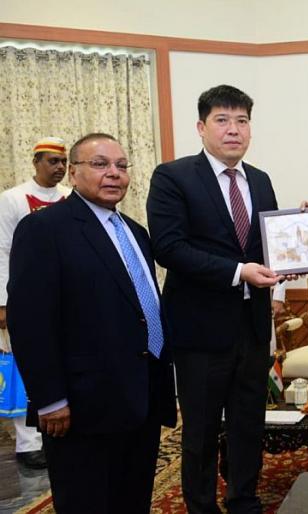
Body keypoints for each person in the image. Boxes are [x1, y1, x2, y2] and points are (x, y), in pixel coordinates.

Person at [7, 133, 176, 513]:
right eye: (100, 164)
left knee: (132, 500)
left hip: (141, 395)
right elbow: (29, 321)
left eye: (121, 165)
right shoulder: (44, 229)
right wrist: (50, 398)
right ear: (73, 172)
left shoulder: (135, 232)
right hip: (83, 405)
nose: (114, 173)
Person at [146, 84, 283, 514]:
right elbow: (169, 247)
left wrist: (294, 245)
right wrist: (238, 272)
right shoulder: (172, 177)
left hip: (252, 326)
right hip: (200, 330)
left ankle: (244, 501)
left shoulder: (260, 180)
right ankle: (201, 507)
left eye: (242, 121)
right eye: (222, 120)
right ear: (201, 127)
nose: (233, 130)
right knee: (201, 431)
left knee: (249, 424)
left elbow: (265, 246)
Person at [0, 137, 71, 470]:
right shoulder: (12, 199)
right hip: (26, 298)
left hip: (68, 299)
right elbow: (2, 251)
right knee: (27, 365)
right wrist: (3, 302)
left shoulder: (70, 196)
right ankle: (28, 443)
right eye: (52, 161)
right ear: (36, 162)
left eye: (63, 162)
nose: (59, 168)